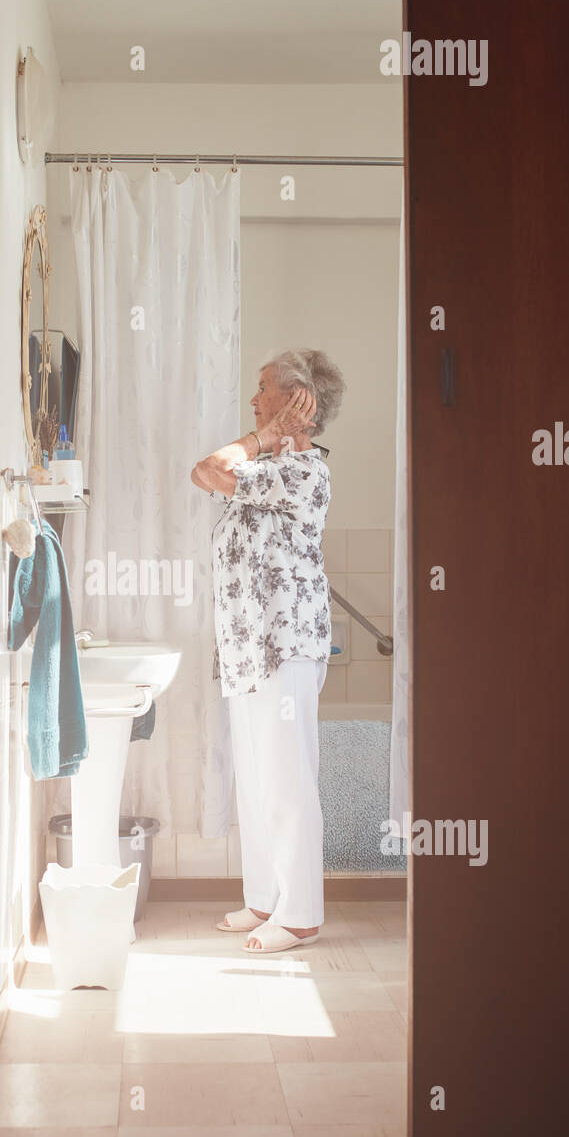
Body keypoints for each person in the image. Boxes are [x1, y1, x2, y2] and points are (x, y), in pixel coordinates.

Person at [190, 349, 345, 952]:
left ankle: (301, 913)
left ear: (296, 401)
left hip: (285, 646)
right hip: (248, 647)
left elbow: (206, 469)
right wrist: (265, 436)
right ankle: (265, 899)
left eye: (263, 391)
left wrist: (264, 437)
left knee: (285, 778)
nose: (254, 401)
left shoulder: (304, 470)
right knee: (255, 778)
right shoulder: (273, 465)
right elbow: (209, 474)